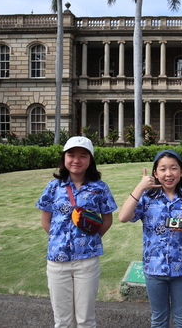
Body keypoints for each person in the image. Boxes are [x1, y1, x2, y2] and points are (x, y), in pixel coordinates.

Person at [36, 136, 117, 328]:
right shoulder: (53, 187)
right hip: (57, 261)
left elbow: (107, 219)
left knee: (85, 320)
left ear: (90, 160)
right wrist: (61, 240)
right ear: (64, 158)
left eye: (83, 156)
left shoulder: (100, 188)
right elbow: (45, 221)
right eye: (71, 155)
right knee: (62, 321)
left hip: (87, 262)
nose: (76, 160)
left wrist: (89, 240)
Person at [118, 150, 182, 328]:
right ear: (155, 173)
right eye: (163, 169)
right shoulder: (146, 198)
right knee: (158, 320)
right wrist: (140, 187)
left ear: (181, 172)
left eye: (174, 168)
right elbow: (123, 217)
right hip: (154, 268)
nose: (169, 174)